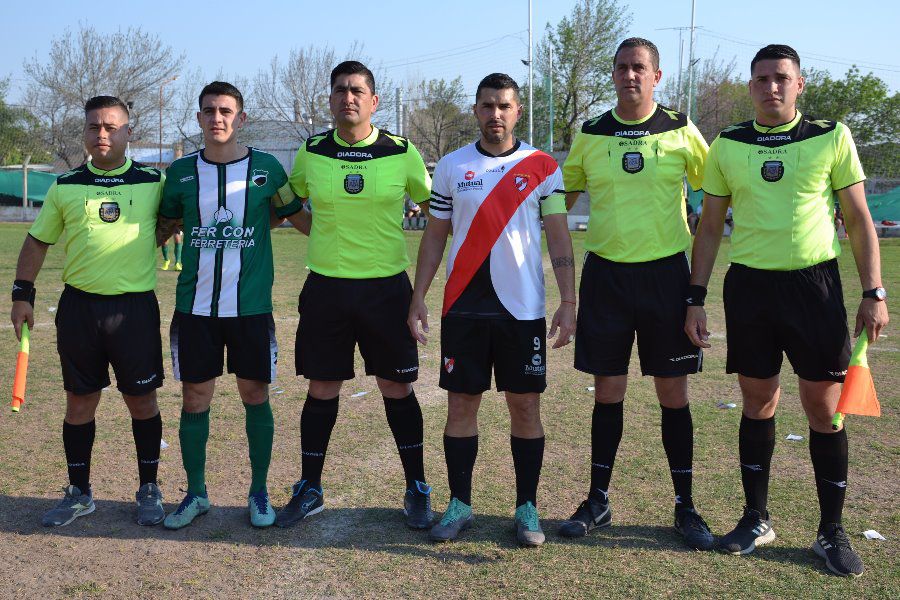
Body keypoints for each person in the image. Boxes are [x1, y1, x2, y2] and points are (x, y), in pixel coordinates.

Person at [686, 44, 889, 577]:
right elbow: (709, 227)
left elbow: (860, 217)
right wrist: (695, 296)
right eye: (761, 79)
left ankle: (830, 531)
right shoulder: (728, 143)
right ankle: (756, 517)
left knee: (824, 409)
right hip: (750, 288)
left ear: (800, 85)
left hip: (813, 288)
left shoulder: (830, 135)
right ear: (749, 86)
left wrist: (874, 292)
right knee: (758, 402)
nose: (771, 87)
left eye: (781, 78)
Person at [559, 37, 715, 549]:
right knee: (608, 391)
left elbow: (718, 189)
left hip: (666, 277)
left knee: (673, 392)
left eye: (639, 68)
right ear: (613, 74)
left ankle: (685, 506)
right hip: (606, 277)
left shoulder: (680, 130)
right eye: (622, 67)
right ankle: (598, 500)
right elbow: (560, 199)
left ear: (657, 75)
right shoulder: (592, 133)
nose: (630, 75)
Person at [408, 73, 576, 546]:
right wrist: (418, 295)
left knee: (524, 405)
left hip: (522, 311)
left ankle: (526, 507)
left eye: (504, 105)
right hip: (462, 307)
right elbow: (435, 236)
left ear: (517, 111)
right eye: (487, 106)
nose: (495, 114)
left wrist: (568, 301)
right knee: (461, 404)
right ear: (476, 110)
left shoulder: (542, 166)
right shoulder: (450, 167)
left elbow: (560, 236)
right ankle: (460, 502)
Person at [276, 61, 434, 530]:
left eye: (358, 90)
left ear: (374, 101)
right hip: (326, 288)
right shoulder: (310, 152)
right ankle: (310, 488)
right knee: (322, 387)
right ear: (330, 99)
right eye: (341, 90)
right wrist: (321, 233)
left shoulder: (402, 153)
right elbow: (289, 206)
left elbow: (435, 212)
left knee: (396, 387)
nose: (349, 97)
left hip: (387, 289)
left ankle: (417, 488)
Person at [10, 96, 166, 527]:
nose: (102, 134)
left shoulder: (154, 181)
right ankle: (79, 493)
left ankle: (149, 487)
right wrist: (21, 295)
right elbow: (37, 241)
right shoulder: (66, 185)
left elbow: (173, 222)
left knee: (142, 400)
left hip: (134, 309)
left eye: (111, 127)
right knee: (79, 403)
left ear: (128, 132)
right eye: (94, 126)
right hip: (80, 308)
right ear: (84, 132)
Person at [157, 81, 303, 529]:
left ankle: (258, 492)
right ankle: (197, 493)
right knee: (195, 397)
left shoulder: (267, 169)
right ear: (198, 118)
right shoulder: (181, 173)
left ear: (241, 118)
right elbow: (162, 225)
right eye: (208, 111)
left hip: (251, 309)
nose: (217, 118)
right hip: (196, 308)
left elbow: (294, 216)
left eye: (225, 111)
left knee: (254, 394)